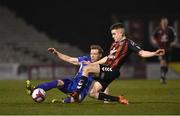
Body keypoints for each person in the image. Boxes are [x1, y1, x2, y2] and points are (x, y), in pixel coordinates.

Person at [71, 22, 165, 104]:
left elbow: (142, 53)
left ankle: (77, 93)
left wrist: (154, 53)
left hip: (112, 70)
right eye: (112, 34)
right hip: (108, 70)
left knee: (86, 69)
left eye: (114, 34)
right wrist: (93, 64)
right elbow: (108, 58)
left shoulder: (128, 43)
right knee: (93, 94)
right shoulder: (114, 44)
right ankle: (119, 99)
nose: (113, 36)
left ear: (120, 33)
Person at [26, 45, 109, 103]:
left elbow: (105, 83)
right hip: (72, 83)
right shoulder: (85, 59)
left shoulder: (100, 67)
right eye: (91, 53)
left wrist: (106, 98)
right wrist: (56, 53)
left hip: (81, 91)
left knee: (75, 100)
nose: (92, 56)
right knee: (58, 82)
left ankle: (63, 101)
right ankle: (33, 89)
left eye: (95, 54)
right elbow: (69, 59)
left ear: (100, 55)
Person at [150, 17, 177, 84]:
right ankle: (162, 76)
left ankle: (163, 76)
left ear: (167, 22)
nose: (164, 23)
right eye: (163, 22)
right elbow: (152, 36)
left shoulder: (170, 29)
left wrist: (174, 42)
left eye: (165, 22)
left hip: (168, 49)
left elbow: (175, 38)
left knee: (167, 64)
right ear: (161, 22)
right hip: (161, 48)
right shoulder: (158, 29)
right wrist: (154, 41)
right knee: (163, 61)